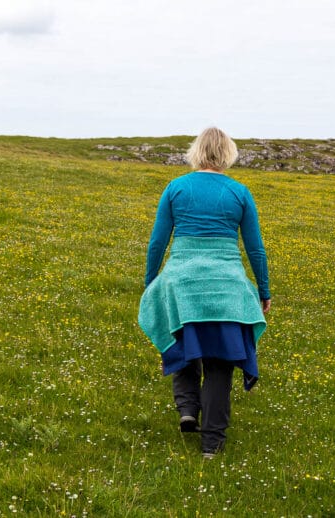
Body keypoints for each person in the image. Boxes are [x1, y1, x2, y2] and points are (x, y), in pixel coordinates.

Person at [138, 127, 271, 458]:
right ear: (228, 153)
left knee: (182, 340)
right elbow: (256, 250)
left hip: (181, 283)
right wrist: (263, 290)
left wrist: (151, 282)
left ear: (196, 152)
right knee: (219, 364)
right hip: (227, 289)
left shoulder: (176, 188)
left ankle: (186, 408)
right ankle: (211, 444)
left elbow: (157, 242)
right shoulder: (239, 192)